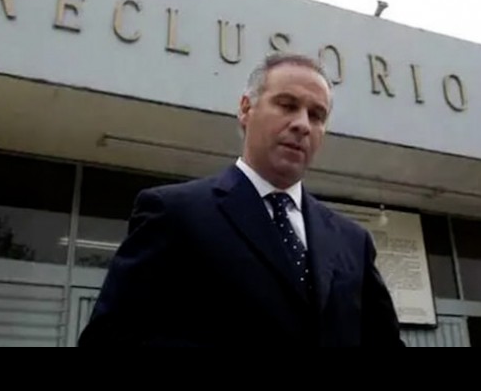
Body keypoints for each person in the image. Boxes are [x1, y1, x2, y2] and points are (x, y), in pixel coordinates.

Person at [78, 52, 405, 347]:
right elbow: (109, 337)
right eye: (287, 105)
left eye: (316, 115)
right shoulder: (175, 213)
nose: (302, 124)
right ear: (246, 109)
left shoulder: (353, 242)